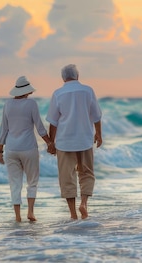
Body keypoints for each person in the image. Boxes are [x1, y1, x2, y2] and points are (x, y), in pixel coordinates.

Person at [46, 64, 102, 220]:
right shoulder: (87, 90)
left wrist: (51, 142)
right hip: (84, 139)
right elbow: (96, 116)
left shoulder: (58, 94)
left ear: (63, 78)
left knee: (67, 177)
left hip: (64, 141)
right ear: (77, 76)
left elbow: (53, 122)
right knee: (87, 173)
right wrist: (99, 134)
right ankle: (84, 204)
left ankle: (72, 214)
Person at [0, 76, 53, 222]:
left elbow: (4, 128)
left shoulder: (7, 104)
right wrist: (49, 143)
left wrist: (0, 150)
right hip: (28, 148)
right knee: (32, 181)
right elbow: (39, 127)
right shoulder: (31, 104)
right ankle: (30, 212)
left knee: (15, 183)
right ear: (26, 91)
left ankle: (17, 216)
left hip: (11, 149)